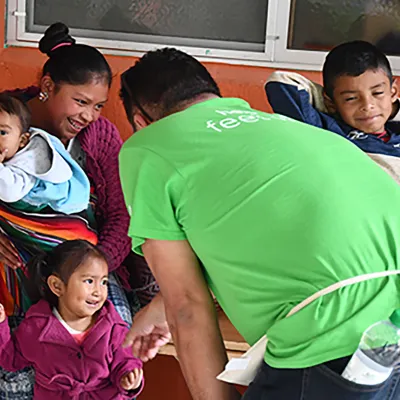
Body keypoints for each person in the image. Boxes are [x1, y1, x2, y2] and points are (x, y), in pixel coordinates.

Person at [119, 47, 400, 400]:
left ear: (141, 122)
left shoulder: (147, 148)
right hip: (387, 329)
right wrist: (158, 309)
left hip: (333, 342)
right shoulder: (280, 126)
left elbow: (187, 305)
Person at [0, 22, 152, 399]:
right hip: (14, 263)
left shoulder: (98, 137)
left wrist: (94, 265)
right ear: (48, 87)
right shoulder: (4, 121)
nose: (89, 115)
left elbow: (120, 214)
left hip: (85, 263)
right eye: (80, 102)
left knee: (111, 345)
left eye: (98, 106)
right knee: (15, 357)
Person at [0, 240, 144, 399]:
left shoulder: (113, 326)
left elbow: (126, 360)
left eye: (103, 282)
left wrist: (129, 377)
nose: (98, 291)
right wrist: (1, 325)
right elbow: (10, 359)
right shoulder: (36, 328)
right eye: (89, 281)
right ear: (57, 286)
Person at [265, 40, 400, 184]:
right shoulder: (330, 129)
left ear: (393, 93)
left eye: (378, 93)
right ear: (330, 103)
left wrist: (391, 108)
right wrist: (332, 104)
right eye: (351, 98)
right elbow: (281, 82)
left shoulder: (395, 131)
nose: (367, 106)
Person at [0, 93, 90, 214]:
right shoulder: (12, 147)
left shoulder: (31, 159)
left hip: (61, 210)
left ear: (22, 140)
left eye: (2, 132)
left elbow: (9, 193)